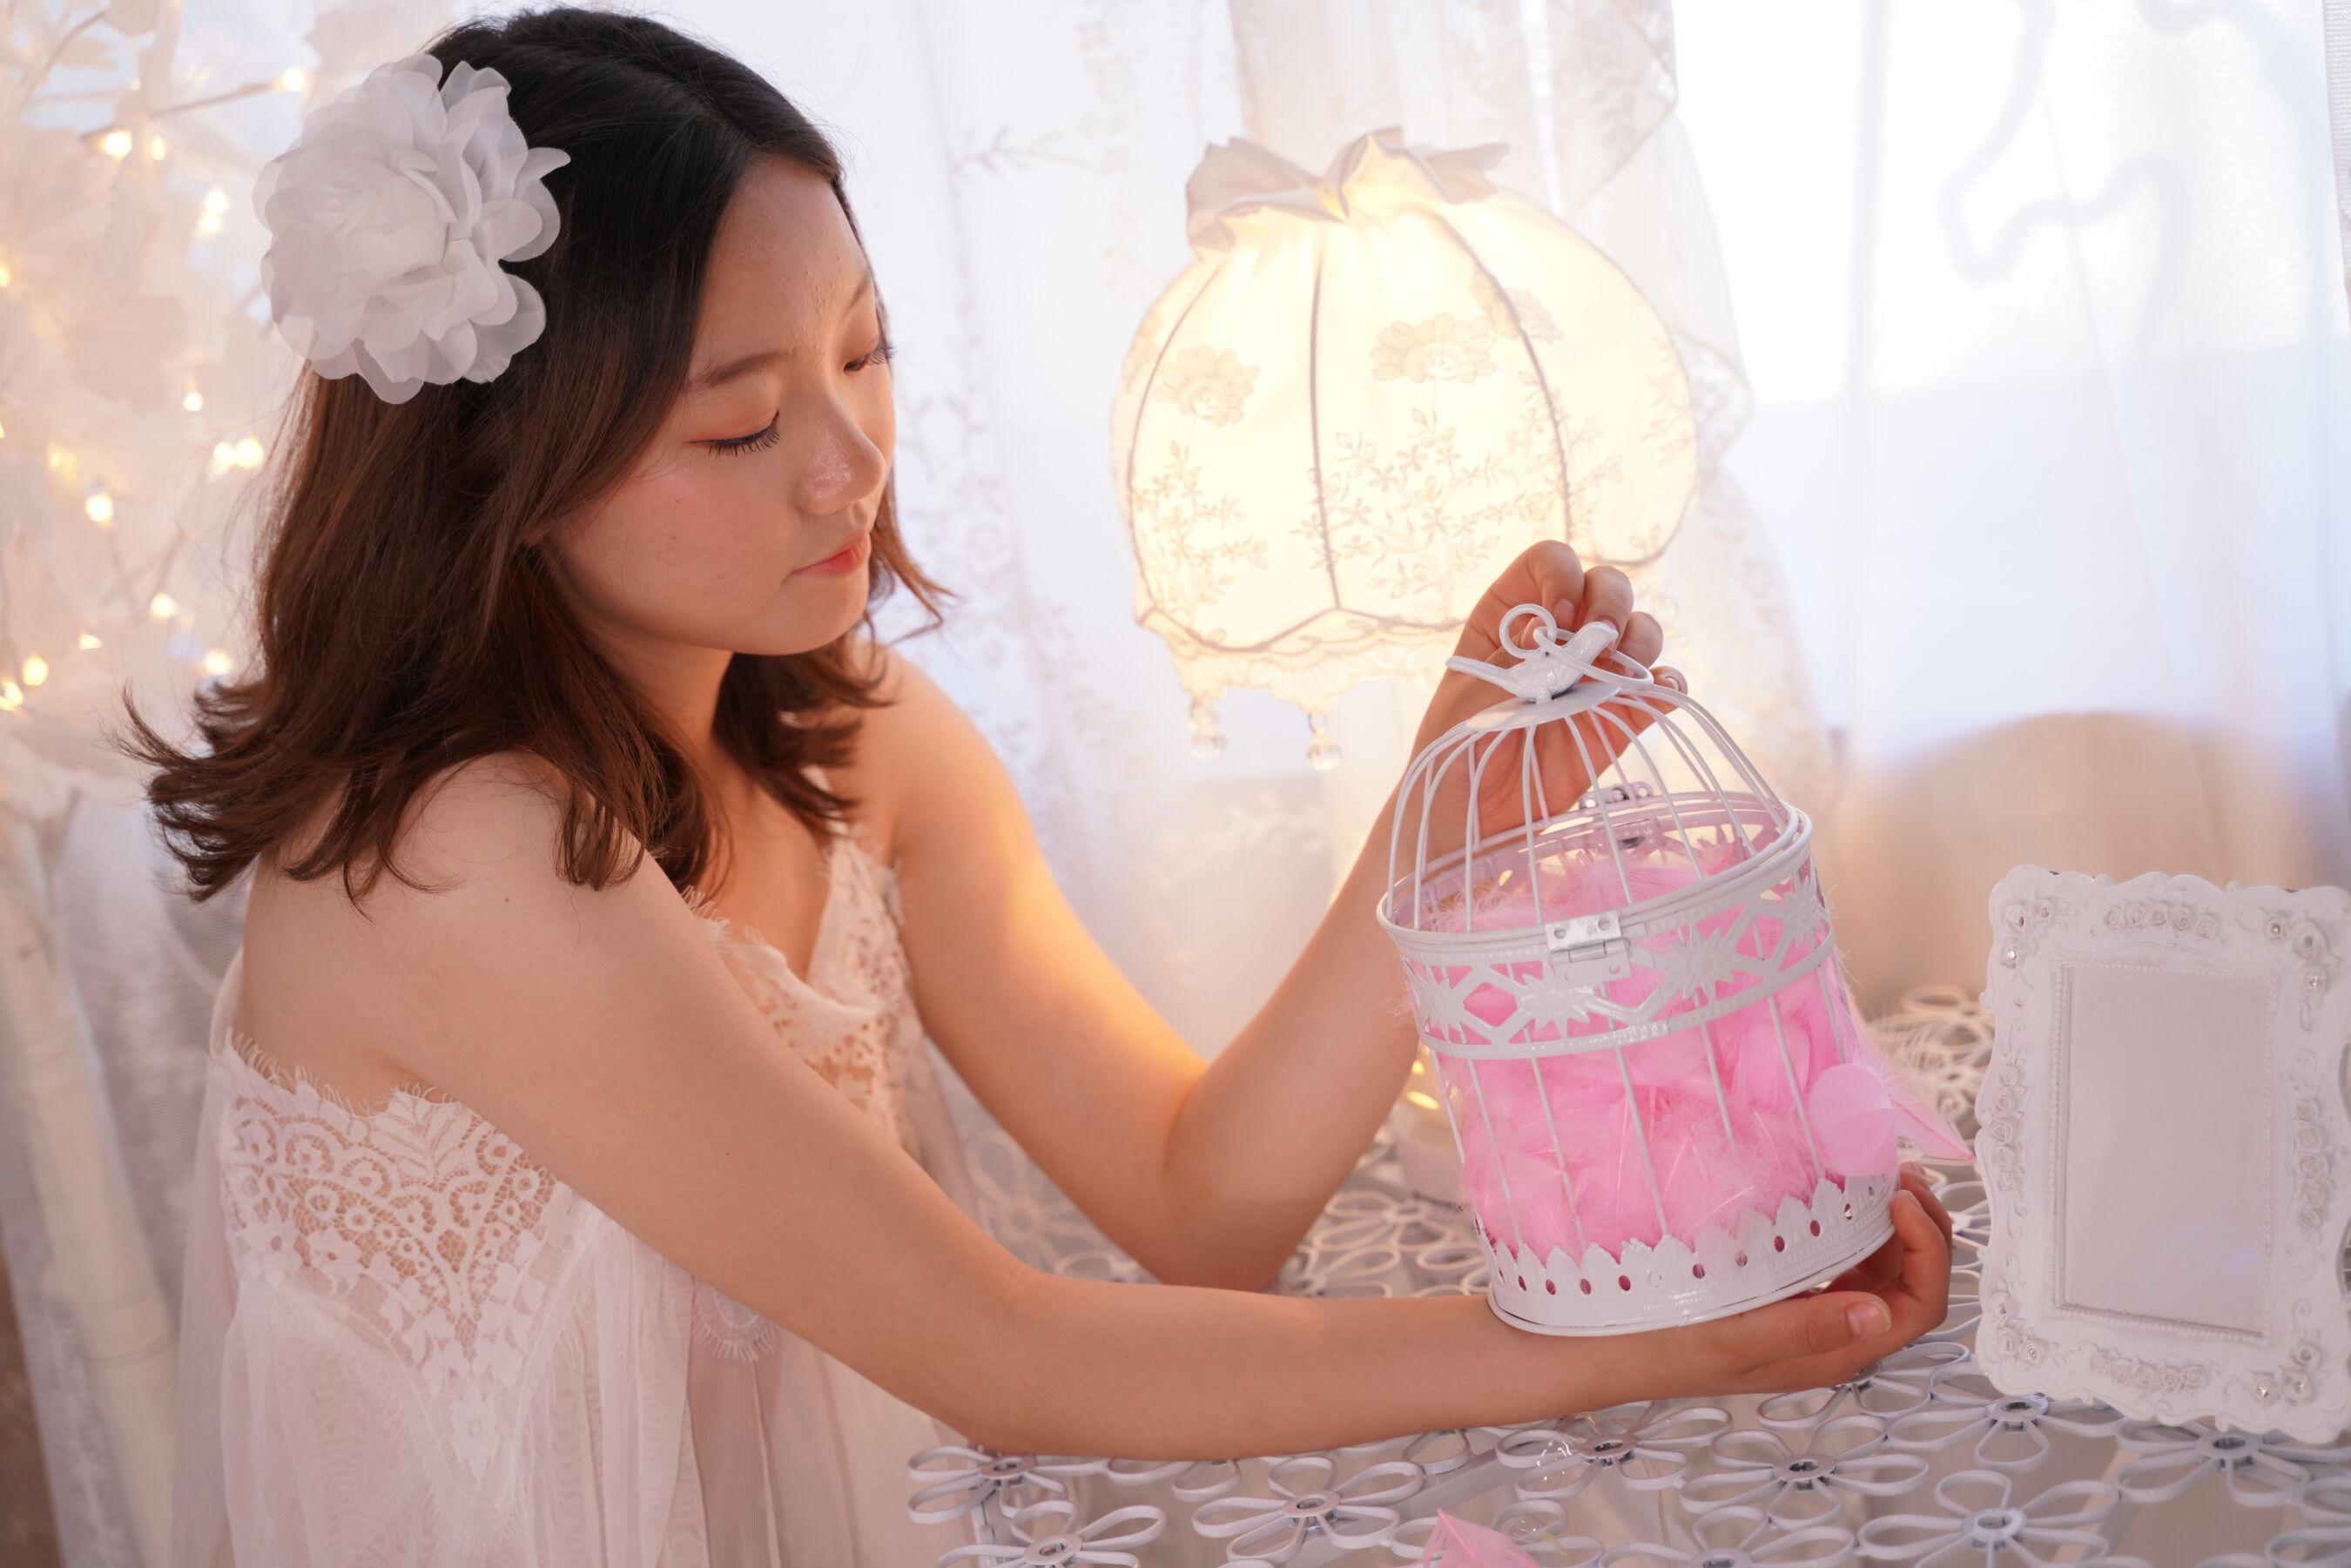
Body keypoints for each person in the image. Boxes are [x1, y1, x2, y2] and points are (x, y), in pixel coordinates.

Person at [124, 8, 1952, 1565]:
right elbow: (1002, 1352)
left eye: (864, 351)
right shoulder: (454, 856)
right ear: (504, 475)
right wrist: (1639, 1343)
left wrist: (1453, 804)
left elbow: (1198, 1200)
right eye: (741, 422)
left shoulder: (852, 738)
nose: (849, 463)